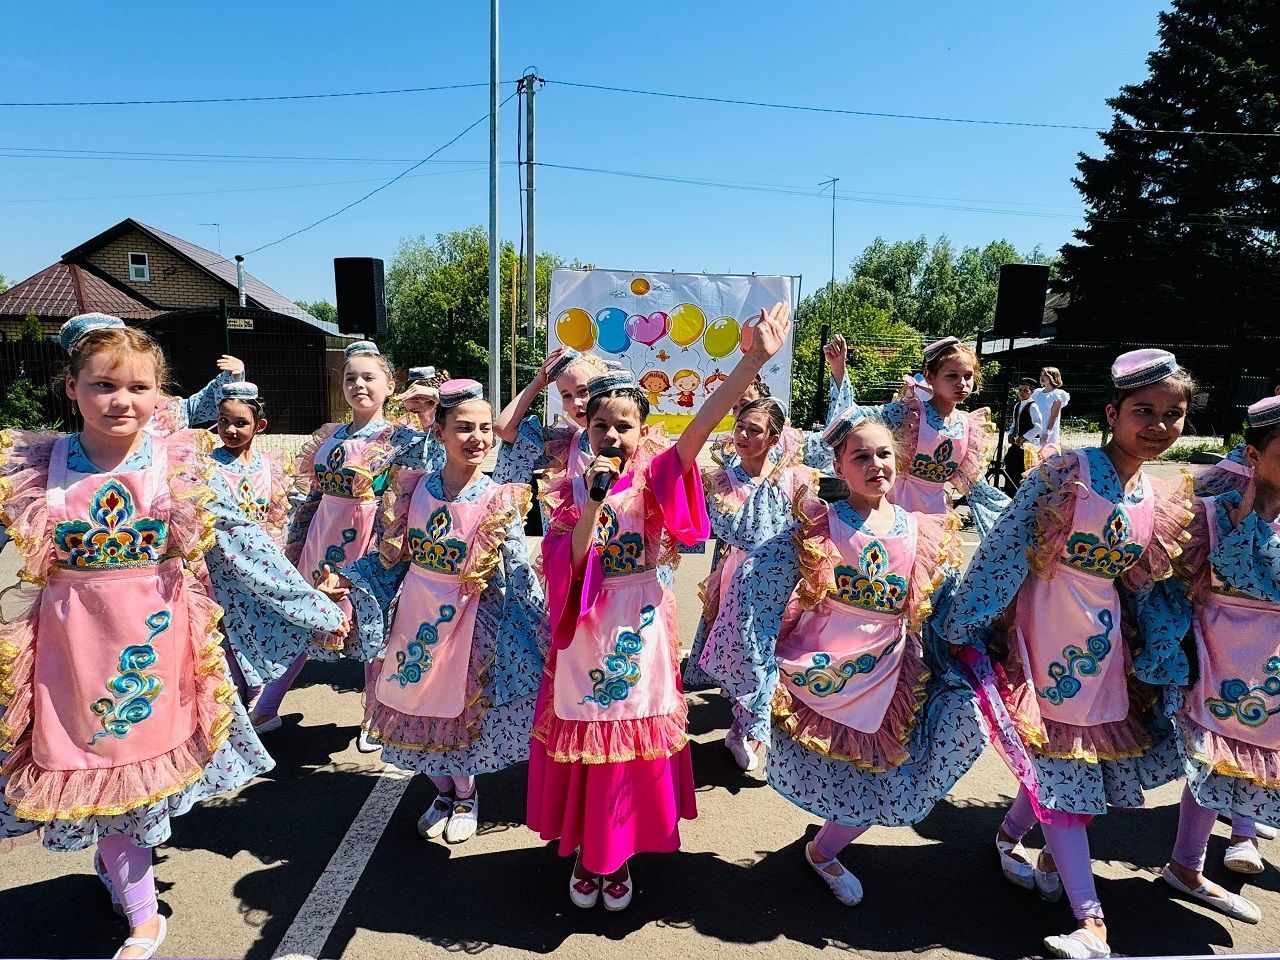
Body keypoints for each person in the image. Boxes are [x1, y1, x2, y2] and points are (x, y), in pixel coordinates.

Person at [0, 315, 343, 960]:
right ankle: (140, 909)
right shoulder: (35, 465)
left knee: (133, 783)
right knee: (96, 773)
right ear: (70, 386)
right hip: (69, 657)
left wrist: (312, 607)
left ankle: (136, 901)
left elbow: (241, 546)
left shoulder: (178, 464)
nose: (121, 400)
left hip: (156, 650)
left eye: (138, 386)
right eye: (103, 384)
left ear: (163, 395)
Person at [527, 301, 791, 911]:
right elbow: (564, 562)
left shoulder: (657, 477)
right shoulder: (568, 488)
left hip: (641, 622)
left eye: (625, 425)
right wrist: (592, 499)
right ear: (585, 430)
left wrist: (752, 360)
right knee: (588, 733)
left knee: (632, 737)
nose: (613, 436)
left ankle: (614, 855)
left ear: (643, 430)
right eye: (602, 426)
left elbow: (703, 423)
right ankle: (586, 853)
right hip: (587, 626)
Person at [943, 349, 1197, 959]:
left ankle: (1007, 838)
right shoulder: (1067, 471)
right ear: (1112, 413)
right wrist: (969, 623)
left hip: (1102, 647)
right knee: (1061, 770)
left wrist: (1162, 646)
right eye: (1144, 411)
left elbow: (1144, 583)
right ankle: (1092, 923)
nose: (1158, 425)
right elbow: (1004, 546)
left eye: (1173, 414)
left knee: (1069, 768)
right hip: (1041, 635)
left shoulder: (1157, 496)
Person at [708, 408, 985, 905]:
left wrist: (965, 648)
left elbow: (941, 601)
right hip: (823, 665)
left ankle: (823, 849)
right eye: (861, 456)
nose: (876, 464)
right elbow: (759, 582)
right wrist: (755, 664)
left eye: (884, 454)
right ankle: (824, 851)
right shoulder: (821, 525)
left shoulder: (924, 530)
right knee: (850, 775)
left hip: (893, 672)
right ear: (839, 468)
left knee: (888, 769)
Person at [330, 379, 545, 845]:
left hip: (472, 626)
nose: (478, 439)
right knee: (413, 707)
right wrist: (345, 578)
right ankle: (443, 791)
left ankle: (466, 796)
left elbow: (518, 576)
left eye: (485, 429)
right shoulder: (413, 490)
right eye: (464, 427)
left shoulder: (499, 499)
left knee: (460, 716)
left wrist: (543, 632)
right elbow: (390, 558)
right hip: (415, 618)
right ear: (440, 432)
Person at [250, 342, 443, 750]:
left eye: (369, 377)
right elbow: (313, 494)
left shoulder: (401, 437)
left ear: (390, 386)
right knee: (303, 621)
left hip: (368, 541)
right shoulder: (331, 434)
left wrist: (428, 414)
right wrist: (296, 539)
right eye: (350, 377)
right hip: (320, 538)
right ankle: (266, 708)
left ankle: (373, 718)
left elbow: (434, 463)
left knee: (372, 631)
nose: (358, 384)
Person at [1146, 395, 1280, 924]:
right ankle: (1188, 865)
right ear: (1251, 453)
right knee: (1212, 759)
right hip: (1218, 655)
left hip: (1272, 664)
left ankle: (1231, 841)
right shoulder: (1210, 515)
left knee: (1255, 760)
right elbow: (1160, 577)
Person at [683, 397, 819, 772]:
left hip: (787, 580)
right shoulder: (724, 480)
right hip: (741, 578)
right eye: (740, 426)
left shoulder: (793, 479)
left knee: (778, 653)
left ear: (774, 439)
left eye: (754, 430)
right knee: (751, 654)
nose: (742, 435)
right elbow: (722, 528)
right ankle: (749, 727)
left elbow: (809, 527)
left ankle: (748, 728)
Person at [843, 336, 994, 516]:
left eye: (968, 376)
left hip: (936, 513)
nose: (962, 383)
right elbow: (853, 419)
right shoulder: (910, 414)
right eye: (952, 376)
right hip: (896, 505)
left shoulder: (969, 426)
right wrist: (839, 371)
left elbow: (978, 485)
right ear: (930, 376)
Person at [1005, 378, 1045, 493]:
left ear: (1031, 392)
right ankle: (1010, 490)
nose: (1022, 393)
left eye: (1025, 391)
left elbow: (1038, 426)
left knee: (1022, 466)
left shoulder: (1033, 407)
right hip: (1018, 442)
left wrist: (1025, 437)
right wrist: (1011, 434)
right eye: (1020, 390)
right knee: (1010, 461)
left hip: (1028, 444)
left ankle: (1020, 491)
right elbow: (1014, 422)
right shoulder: (1017, 405)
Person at [1032, 366, 1070, 451]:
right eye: (1041, 375)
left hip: (1047, 431)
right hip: (1034, 430)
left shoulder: (1057, 394)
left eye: (1045, 375)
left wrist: (1047, 433)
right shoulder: (1037, 393)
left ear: (1053, 377)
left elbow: (1054, 416)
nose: (1042, 377)